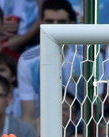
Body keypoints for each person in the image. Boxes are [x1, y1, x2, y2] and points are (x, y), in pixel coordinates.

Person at [16, 0, 81, 130]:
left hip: (81, 128)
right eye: (49, 22)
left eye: (61, 22)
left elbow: (96, 108)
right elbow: (28, 115)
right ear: (41, 24)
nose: (54, 27)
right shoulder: (27, 61)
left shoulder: (88, 58)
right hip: (43, 129)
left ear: (72, 24)